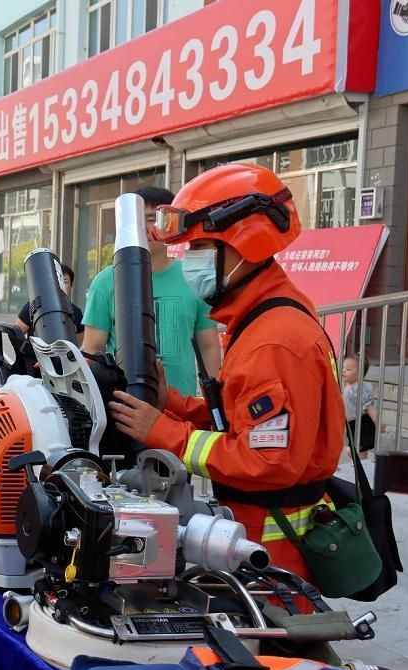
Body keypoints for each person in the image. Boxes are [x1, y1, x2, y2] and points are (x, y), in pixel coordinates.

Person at [108, 163, 344, 584]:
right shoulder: (259, 318)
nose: (189, 261)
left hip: (272, 550)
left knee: (270, 647)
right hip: (257, 535)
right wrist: (175, 406)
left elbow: (265, 460)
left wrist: (164, 431)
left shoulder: (274, 341)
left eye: (199, 247)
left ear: (243, 246)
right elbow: (244, 422)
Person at [81, 185, 221, 397]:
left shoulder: (193, 278)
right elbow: (92, 349)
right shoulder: (107, 281)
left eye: (159, 219)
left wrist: (212, 400)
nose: (152, 227)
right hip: (124, 406)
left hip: (183, 409)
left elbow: (208, 345)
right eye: (145, 218)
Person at [16, 260, 84, 336]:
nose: (60, 285)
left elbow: (79, 345)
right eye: (57, 281)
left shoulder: (76, 312)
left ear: (71, 286)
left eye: (65, 282)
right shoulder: (34, 306)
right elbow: (16, 333)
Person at [342, 354, 378, 457]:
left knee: (359, 450)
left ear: (359, 374)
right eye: (344, 368)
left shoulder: (360, 389)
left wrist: (377, 421)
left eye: (348, 369)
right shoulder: (348, 385)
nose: (344, 371)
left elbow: (369, 406)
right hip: (352, 423)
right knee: (355, 449)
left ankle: (361, 464)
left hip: (362, 423)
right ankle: (359, 463)